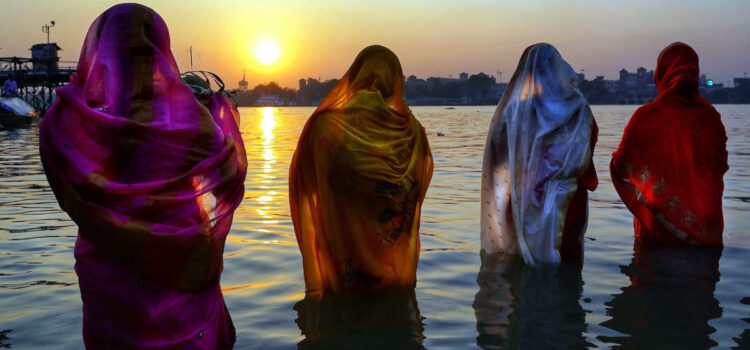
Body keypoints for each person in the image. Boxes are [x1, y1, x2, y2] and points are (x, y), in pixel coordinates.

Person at [38, 4, 246, 348]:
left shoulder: (67, 119)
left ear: (97, 47)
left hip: (108, 265)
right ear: (161, 47)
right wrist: (217, 110)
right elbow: (226, 174)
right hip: (184, 263)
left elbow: (65, 184)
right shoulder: (193, 120)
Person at [289, 45, 434, 293]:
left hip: (345, 266)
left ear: (354, 76)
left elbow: (305, 188)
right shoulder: (412, 132)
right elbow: (416, 187)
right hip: (393, 267)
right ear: (395, 82)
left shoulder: (325, 127)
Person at [480, 43, 598, 264]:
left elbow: (497, 162)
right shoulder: (580, 110)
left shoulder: (513, 113)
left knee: (520, 279)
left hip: (520, 204)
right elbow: (587, 153)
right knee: (566, 275)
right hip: (568, 202)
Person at [610, 42, 728, 246]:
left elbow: (621, 166)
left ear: (661, 74)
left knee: (653, 275)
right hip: (705, 233)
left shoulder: (646, 118)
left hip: (657, 231)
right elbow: (719, 167)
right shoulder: (711, 118)